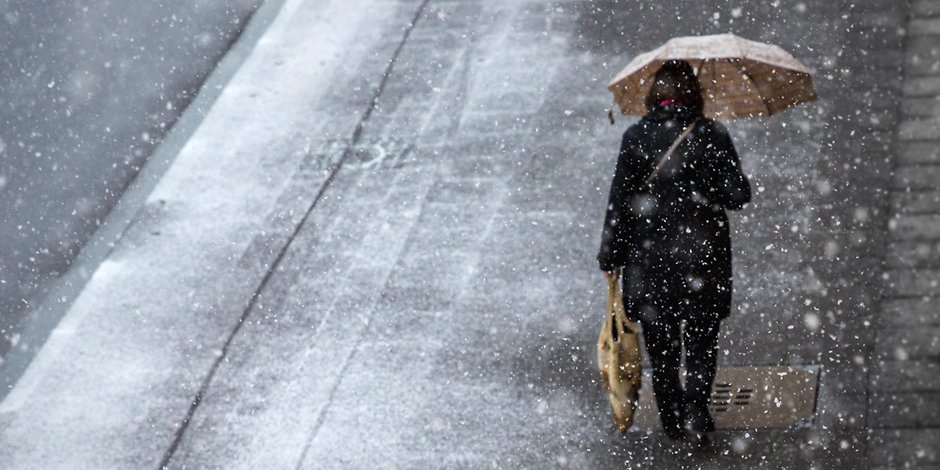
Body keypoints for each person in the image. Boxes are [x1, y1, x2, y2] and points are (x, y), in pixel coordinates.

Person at [597, 60, 751, 442]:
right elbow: (738, 195)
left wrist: (609, 257)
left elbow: (619, 201)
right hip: (703, 258)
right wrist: (707, 183)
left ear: (654, 96)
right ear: (694, 96)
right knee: (701, 338)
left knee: (661, 343)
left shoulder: (635, 138)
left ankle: (670, 415)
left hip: (649, 261)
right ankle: (697, 409)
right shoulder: (712, 134)